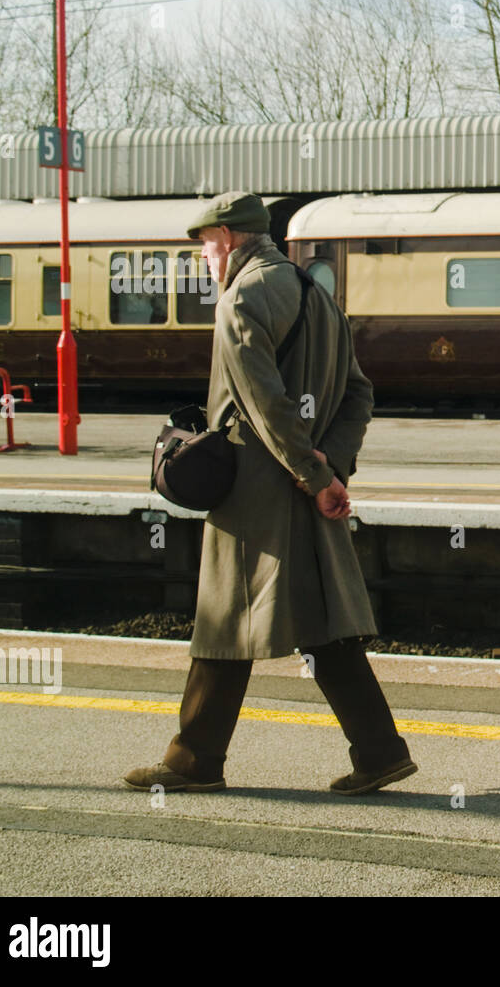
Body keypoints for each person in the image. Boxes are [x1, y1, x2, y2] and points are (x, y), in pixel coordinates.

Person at [124, 190, 416, 796]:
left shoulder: (240, 299)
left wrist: (313, 476)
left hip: (255, 492)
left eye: (205, 245)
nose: (204, 257)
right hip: (309, 487)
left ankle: (194, 761)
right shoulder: (319, 297)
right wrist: (330, 469)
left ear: (227, 239)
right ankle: (380, 751)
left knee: (226, 617)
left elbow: (263, 406)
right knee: (324, 623)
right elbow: (360, 394)